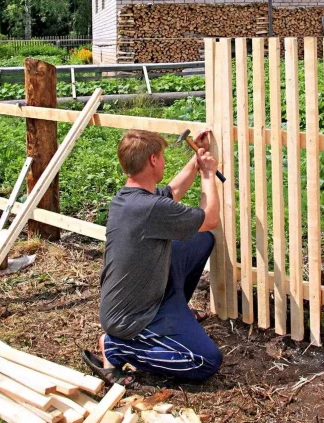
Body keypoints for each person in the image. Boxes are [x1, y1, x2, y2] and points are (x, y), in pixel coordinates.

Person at [83, 128, 222, 385]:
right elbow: (210, 217)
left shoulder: (129, 199)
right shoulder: (150, 209)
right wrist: (208, 174)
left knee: (200, 239)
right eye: (162, 156)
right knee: (206, 362)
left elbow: (173, 191)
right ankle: (116, 347)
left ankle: (177, 309)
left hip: (148, 295)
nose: (164, 160)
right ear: (153, 161)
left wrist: (196, 160)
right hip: (132, 318)